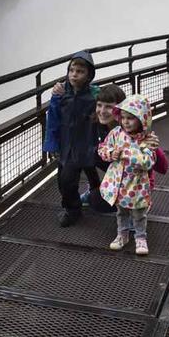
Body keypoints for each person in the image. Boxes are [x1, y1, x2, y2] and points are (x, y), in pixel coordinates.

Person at [44, 51, 111, 226]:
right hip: (68, 147)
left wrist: (108, 141)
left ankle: (129, 199)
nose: (74, 74)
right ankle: (73, 209)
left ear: (89, 75)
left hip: (91, 144)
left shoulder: (95, 95)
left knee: (116, 167)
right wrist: (52, 144)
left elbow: (107, 116)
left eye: (80, 71)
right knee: (65, 182)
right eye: (72, 70)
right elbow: (53, 119)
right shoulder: (60, 93)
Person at [98, 94, 157, 255]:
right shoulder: (116, 133)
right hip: (118, 183)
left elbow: (148, 161)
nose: (125, 121)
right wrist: (111, 154)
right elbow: (102, 149)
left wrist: (127, 153)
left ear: (141, 119)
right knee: (121, 212)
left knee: (139, 214)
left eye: (131, 118)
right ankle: (122, 235)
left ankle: (140, 238)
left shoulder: (147, 139)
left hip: (137, 185)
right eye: (123, 117)